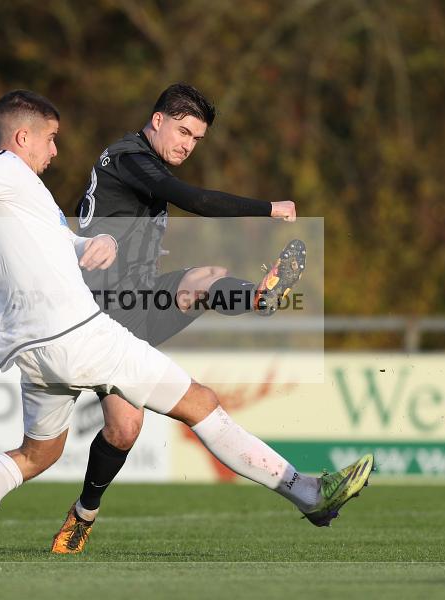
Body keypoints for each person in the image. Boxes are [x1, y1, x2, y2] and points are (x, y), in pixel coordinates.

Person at [0, 90, 373, 561]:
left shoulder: (15, 198)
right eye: (50, 138)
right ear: (21, 137)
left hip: (31, 346)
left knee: (39, 452)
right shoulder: (5, 169)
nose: (56, 150)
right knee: (198, 403)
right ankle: (308, 493)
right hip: (81, 332)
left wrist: (94, 243)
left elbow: (57, 239)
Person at [52, 83, 306, 553]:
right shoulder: (130, 159)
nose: (188, 145)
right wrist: (268, 208)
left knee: (206, 278)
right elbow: (194, 200)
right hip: (101, 315)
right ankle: (83, 515)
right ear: (157, 120)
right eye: (183, 132)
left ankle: (258, 298)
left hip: (136, 301)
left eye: (197, 139)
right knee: (123, 430)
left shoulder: (141, 163)